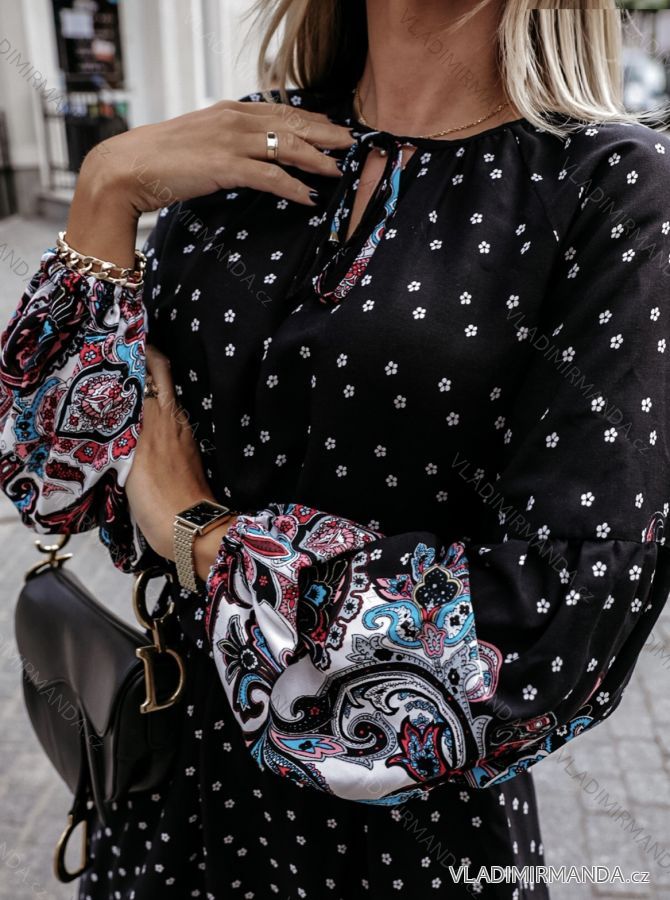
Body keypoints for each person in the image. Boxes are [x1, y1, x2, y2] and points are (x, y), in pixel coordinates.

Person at [1, 0, 669, 897]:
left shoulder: (611, 187)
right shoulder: (244, 146)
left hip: (400, 845)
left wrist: (200, 535)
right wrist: (106, 190)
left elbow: (547, 625)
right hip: (164, 791)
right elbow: (58, 483)